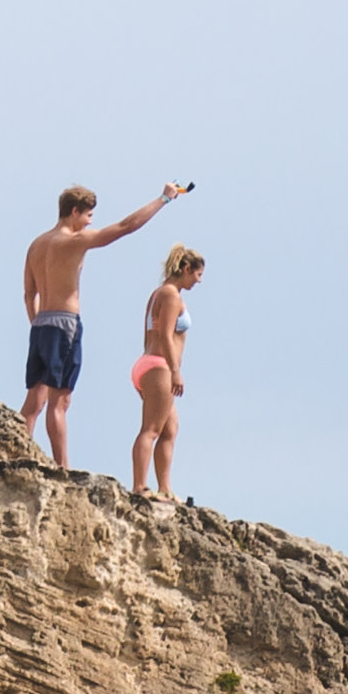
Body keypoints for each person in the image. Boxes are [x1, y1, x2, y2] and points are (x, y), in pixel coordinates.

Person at [19, 180, 183, 468]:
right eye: (88, 215)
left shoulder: (36, 245)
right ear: (74, 211)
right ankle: (62, 468)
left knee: (34, 400)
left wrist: (37, 325)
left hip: (42, 325)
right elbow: (125, 227)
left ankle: (17, 452)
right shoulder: (73, 241)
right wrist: (164, 199)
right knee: (60, 402)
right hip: (65, 324)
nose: (89, 222)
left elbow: (28, 294)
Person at [127, 245, 205, 502]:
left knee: (169, 429)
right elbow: (165, 335)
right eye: (197, 275)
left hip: (148, 364)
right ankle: (140, 487)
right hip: (160, 366)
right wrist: (174, 371)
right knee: (151, 429)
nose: (198, 281)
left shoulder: (157, 294)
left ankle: (165, 488)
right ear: (186, 268)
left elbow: (149, 332)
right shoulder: (171, 296)